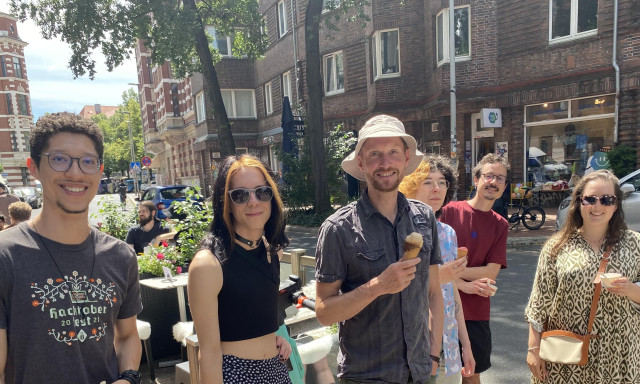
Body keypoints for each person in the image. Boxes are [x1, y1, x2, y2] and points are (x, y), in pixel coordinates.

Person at [0, 113, 143, 384]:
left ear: (100, 171)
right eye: (59, 158)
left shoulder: (121, 256)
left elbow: (126, 336)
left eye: (88, 161)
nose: (76, 172)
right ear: (34, 168)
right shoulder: (6, 256)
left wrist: (129, 378)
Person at [315, 115, 444, 384]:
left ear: (406, 158)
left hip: (419, 373)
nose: (385, 163)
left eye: (393, 152)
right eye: (375, 154)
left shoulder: (424, 217)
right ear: (361, 162)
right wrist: (378, 286)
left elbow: (433, 291)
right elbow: (324, 312)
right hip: (366, 376)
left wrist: (433, 353)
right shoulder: (338, 229)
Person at [525, 170, 640, 384]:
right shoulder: (557, 246)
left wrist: (631, 290)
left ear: (616, 205)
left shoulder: (635, 244)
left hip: (620, 352)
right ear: (579, 202)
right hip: (567, 353)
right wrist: (533, 349)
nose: (598, 206)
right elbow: (539, 304)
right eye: (590, 199)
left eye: (607, 199)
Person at [188, 154, 293, 383]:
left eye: (262, 191)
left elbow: (253, 314)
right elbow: (208, 353)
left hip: (276, 370)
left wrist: (275, 337)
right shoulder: (208, 264)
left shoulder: (272, 251)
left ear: (272, 197)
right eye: (240, 195)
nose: (253, 201)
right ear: (225, 203)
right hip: (236, 374)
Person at [399, 155, 476, 383]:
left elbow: (452, 295)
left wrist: (466, 345)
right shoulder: (399, 230)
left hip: (450, 346)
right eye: (428, 182)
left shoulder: (447, 233)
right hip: (416, 347)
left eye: (442, 182)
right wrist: (436, 276)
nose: (437, 188)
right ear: (410, 186)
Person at [439, 153, 510, 384]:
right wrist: (462, 284)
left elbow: (491, 272)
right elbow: (431, 265)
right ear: (476, 179)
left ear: (504, 186)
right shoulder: (448, 211)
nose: (494, 182)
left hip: (476, 311)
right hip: (439, 306)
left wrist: (453, 273)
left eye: (500, 178)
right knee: (436, 375)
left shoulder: (500, 224)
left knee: (471, 375)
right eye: (489, 176)